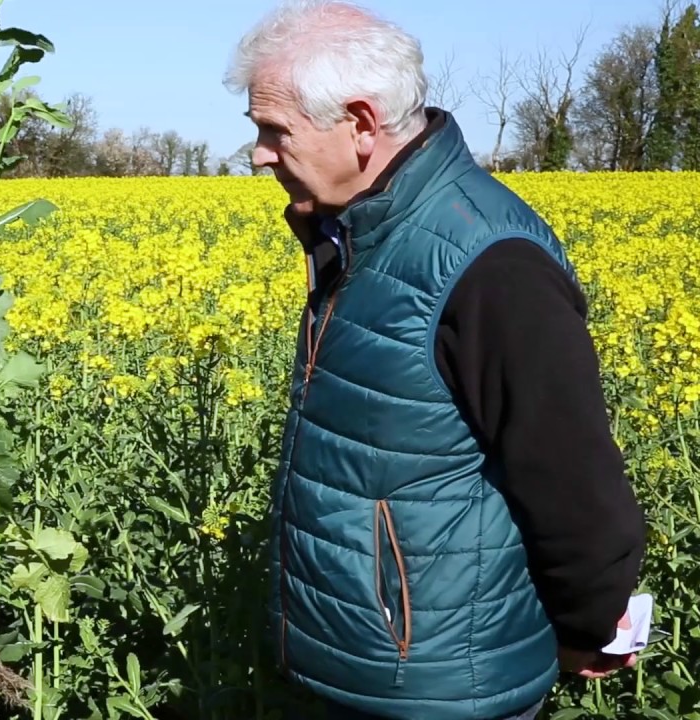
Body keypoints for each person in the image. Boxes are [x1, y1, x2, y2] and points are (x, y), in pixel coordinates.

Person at [222, 2, 647, 719]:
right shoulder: (361, 232)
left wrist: (589, 622)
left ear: (360, 124)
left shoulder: (491, 264)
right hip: (368, 671)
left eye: (275, 131)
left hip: (443, 688)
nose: (259, 153)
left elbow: (572, 477)